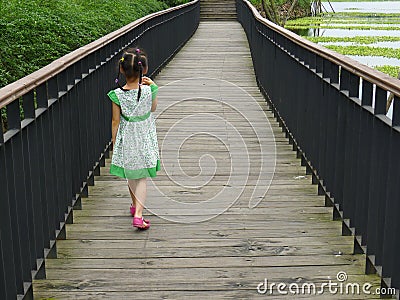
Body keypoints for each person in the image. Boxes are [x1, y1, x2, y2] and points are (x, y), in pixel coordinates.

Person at [107, 47, 160, 230]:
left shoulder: (117, 95)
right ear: (143, 70)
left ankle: (134, 205)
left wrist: (115, 143)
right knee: (142, 176)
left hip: (127, 137)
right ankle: (138, 214)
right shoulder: (147, 91)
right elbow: (153, 109)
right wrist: (153, 87)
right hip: (144, 136)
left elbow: (115, 121)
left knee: (130, 172)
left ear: (121, 69)